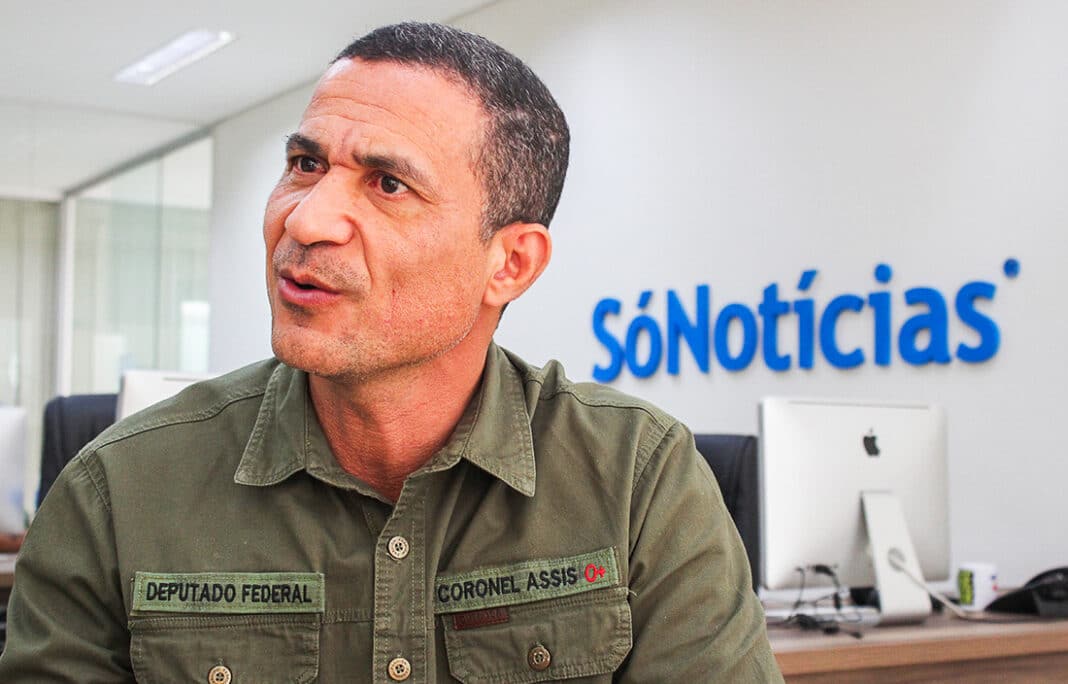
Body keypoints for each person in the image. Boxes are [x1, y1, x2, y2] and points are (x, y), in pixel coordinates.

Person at [0, 22, 782, 682]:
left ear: (509, 264)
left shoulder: (638, 480)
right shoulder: (116, 494)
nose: (306, 221)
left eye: (387, 184)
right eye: (306, 164)